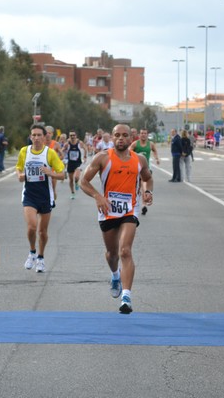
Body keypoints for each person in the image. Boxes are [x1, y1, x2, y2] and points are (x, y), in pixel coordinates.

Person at [80, 124, 153, 314]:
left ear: (131, 138)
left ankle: (126, 297)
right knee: (112, 254)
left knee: (125, 251)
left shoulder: (140, 160)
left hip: (130, 210)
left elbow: (147, 178)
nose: (121, 138)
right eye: (117, 135)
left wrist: (147, 192)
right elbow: (83, 181)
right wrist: (98, 196)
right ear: (112, 138)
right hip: (107, 210)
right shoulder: (103, 158)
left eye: (125, 135)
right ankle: (115, 275)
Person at [16, 124, 65, 273]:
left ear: (44, 137)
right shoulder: (24, 151)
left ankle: (41, 257)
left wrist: (50, 173)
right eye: (33, 135)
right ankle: (32, 252)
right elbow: (19, 168)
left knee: (42, 231)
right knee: (32, 226)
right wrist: (20, 176)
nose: (36, 138)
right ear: (30, 137)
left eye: (39, 135)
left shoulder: (49, 153)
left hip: (45, 196)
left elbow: (62, 174)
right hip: (29, 195)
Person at [130, 128, 160, 215]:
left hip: (146, 168)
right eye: (142, 133)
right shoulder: (135, 144)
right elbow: (128, 152)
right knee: (137, 187)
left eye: (145, 133)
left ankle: (143, 205)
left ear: (147, 135)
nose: (143, 135)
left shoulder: (150, 144)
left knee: (144, 184)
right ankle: (136, 203)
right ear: (139, 134)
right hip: (136, 167)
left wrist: (157, 158)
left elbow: (155, 151)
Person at [63, 130, 87, 199]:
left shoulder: (80, 143)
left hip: (78, 163)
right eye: (71, 135)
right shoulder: (67, 144)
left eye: (74, 135)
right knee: (70, 180)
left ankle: (76, 182)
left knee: (76, 177)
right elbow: (62, 150)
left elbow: (85, 149)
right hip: (70, 163)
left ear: (76, 136)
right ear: (69, 136)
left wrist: (85, 157)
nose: (72, 137)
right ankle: (72, 192)